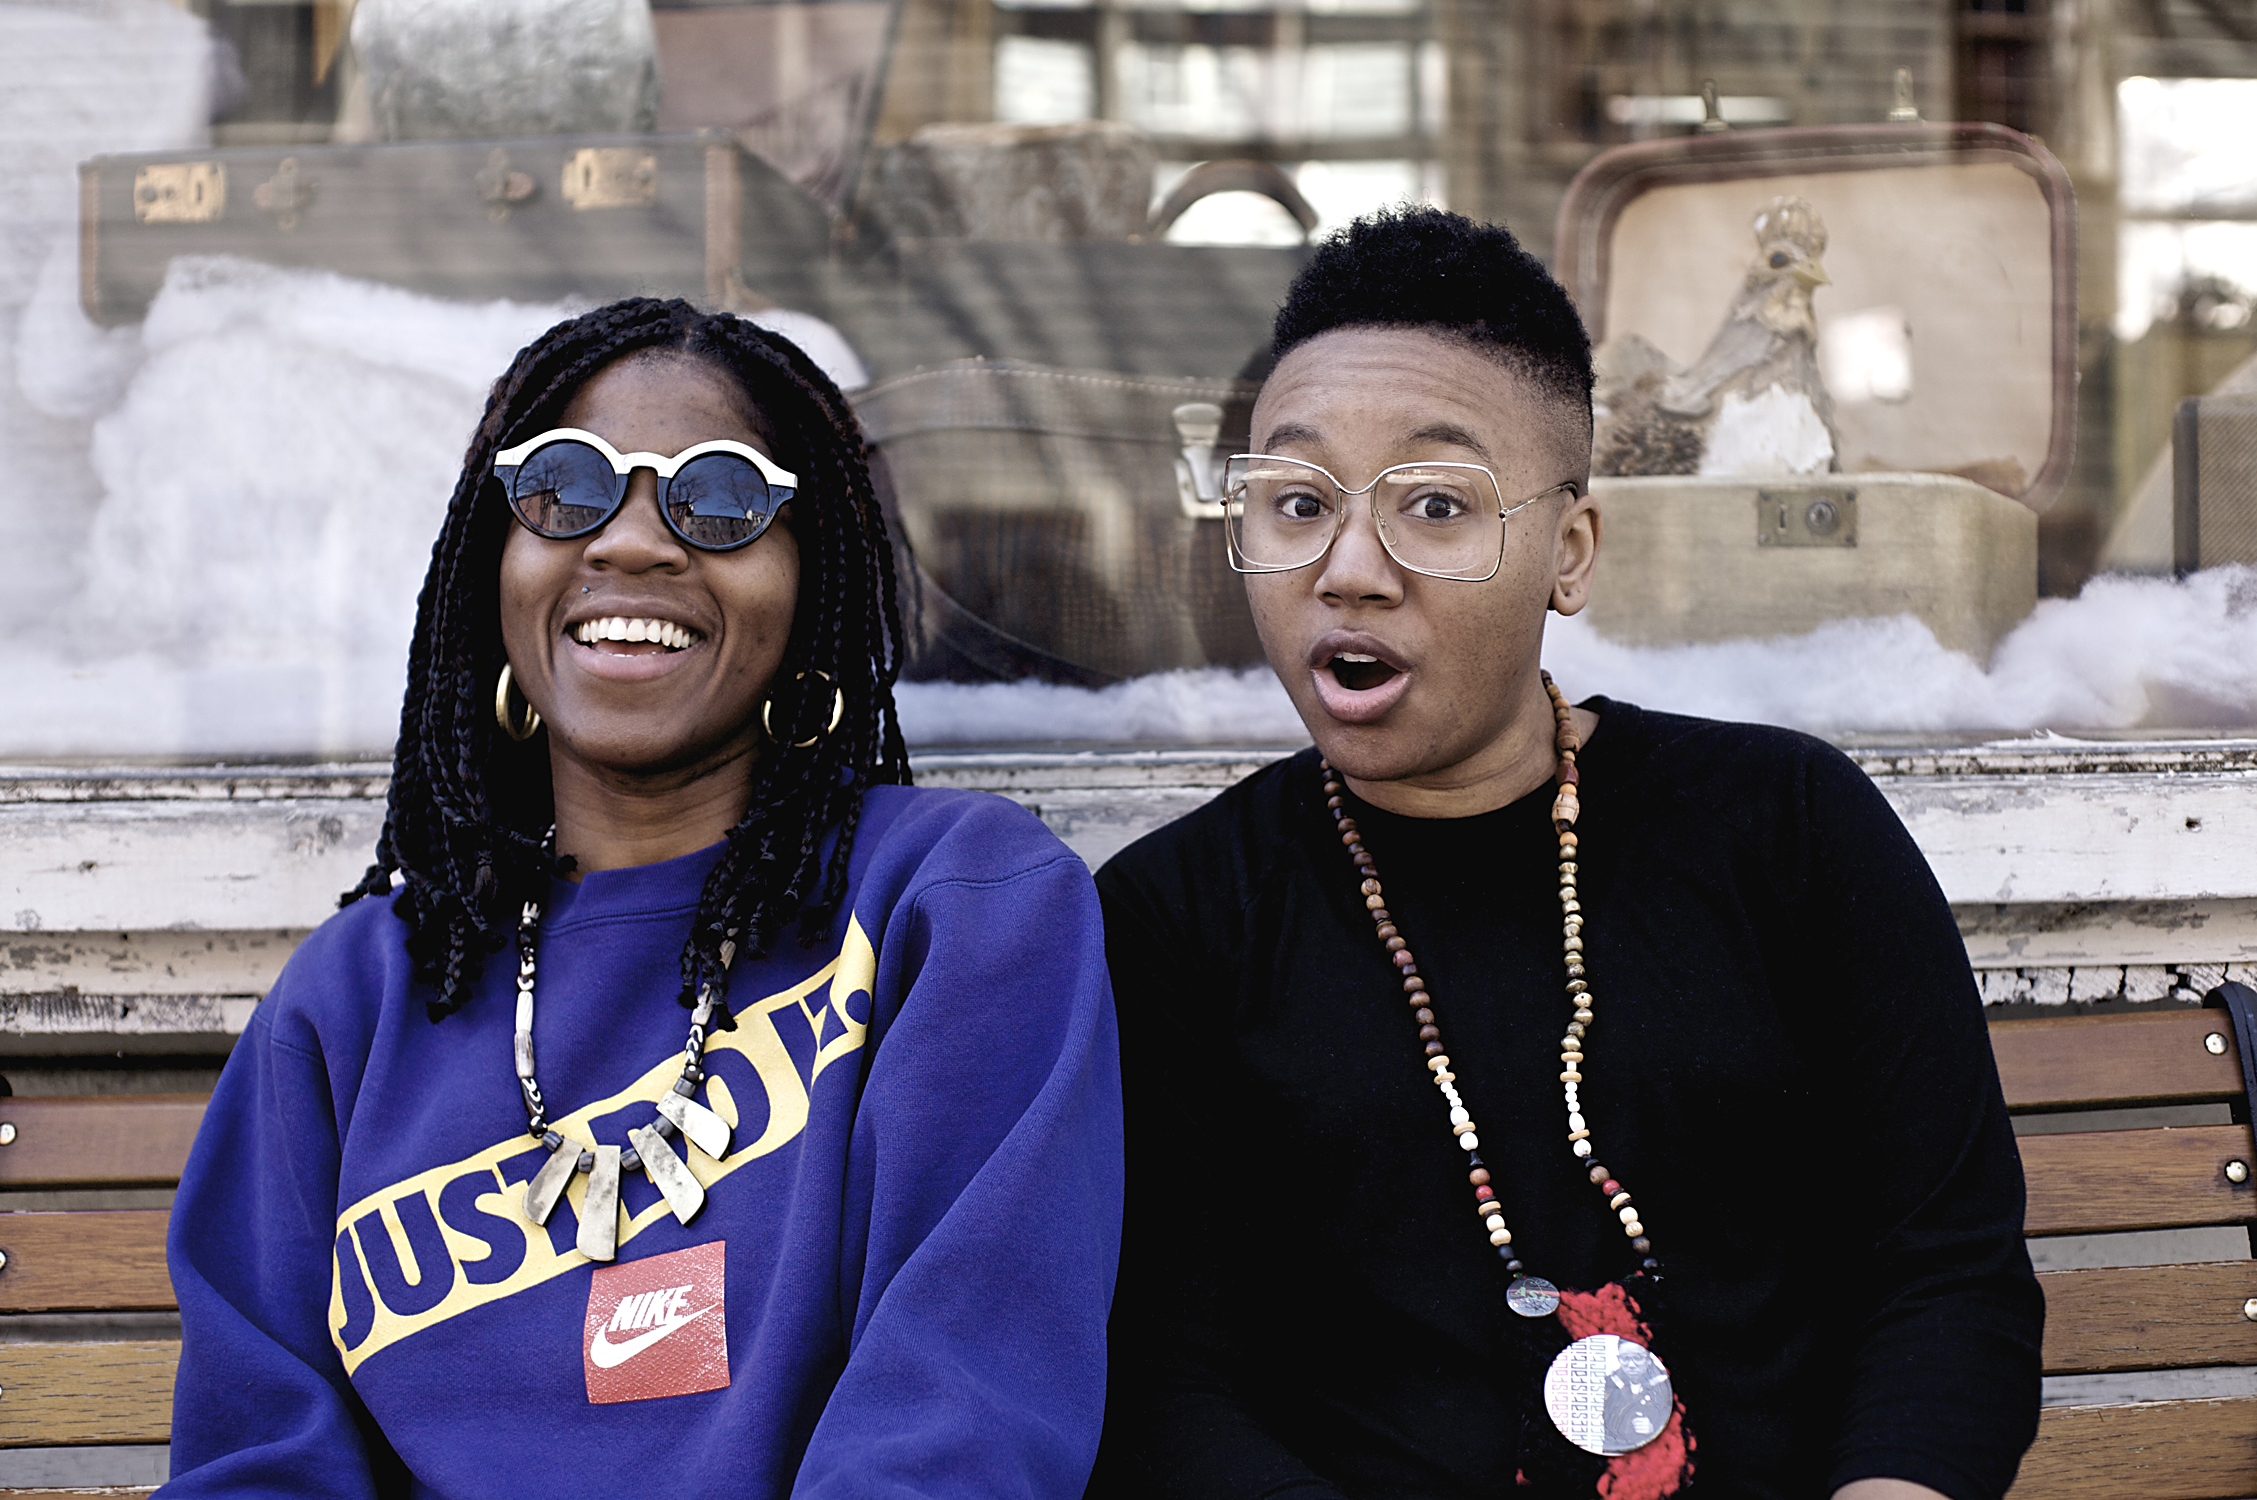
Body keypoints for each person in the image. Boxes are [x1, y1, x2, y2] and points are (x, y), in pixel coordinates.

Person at [1088, 209, 2042, 1500]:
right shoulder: (1176, 919)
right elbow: (1167, 1390)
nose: (1349, 569)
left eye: (1435, 505)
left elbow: (1946, 1277)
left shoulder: (1786, 827)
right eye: (1298, 503)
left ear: (1570, 553)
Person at [163, 298, 1123, 1498]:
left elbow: (960, 1413)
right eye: (564, 488)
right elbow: (257, 1459)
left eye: (718, 500)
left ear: (809, 574)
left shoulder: (955, 907)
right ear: (495, 559)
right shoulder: (356, 994)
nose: (629, 544)